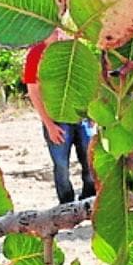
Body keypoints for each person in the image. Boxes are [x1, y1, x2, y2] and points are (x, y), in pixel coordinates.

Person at [22, 30, 96, 204]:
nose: (58, 34)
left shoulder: (75, 48)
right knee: (61, 165)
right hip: (56, 119)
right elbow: (33, 91)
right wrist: (49, 124)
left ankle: (90, 197)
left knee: (89, 158)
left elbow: (89, 81)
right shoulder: (36, 53)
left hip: (81, 115)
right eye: (53, 30)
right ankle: (66, 203)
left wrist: (92, 112)